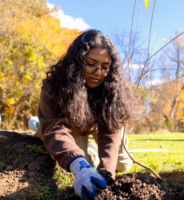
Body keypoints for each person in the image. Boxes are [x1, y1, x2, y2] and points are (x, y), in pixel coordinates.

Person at [38, 29, 136, 199]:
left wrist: (107, 172)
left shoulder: (111, 88)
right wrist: (79, 165)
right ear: (77, 61)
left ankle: (93, 150)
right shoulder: (54, 87)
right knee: (78, 166)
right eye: (91, 63)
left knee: (123, 165)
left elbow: (111, 130)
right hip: (70, 130)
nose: (98, 72)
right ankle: (89, 152)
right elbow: (55, 129)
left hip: (98, 127)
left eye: (105, 67)